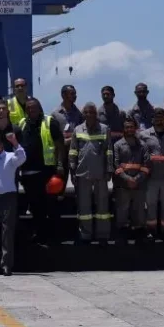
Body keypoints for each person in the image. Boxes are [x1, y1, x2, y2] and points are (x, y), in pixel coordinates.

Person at [17, 97, 66, 245]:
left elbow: (60, 145)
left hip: (46, 172)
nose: (31, 110)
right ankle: (39, 236)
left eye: (34, 107)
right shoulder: (22, 124)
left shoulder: (50, 122)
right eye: (29, 108)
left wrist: (59, 165)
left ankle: (54, 237)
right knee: (35, 207)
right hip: (28, 174)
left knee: (50, 206)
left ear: (40, 108)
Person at [0, 131, 26, 275]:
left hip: (8, 198)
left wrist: (14, 142)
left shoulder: (10, 157)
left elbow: (22, 157)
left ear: (1, 144)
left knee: (7, 232)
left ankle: (6, 264)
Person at [70, 102, 112, 244]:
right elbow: (73, 151)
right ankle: (86, 234)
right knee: (84, 207)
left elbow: (109, 151)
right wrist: (72, 169)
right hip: (82, 174)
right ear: (83, 114)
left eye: (92, 112)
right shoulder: (77, 130)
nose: (89, 115)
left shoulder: (105, 129)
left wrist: (109, 170)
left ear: (96, 114)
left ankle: (103, 235)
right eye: (86, 112)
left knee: (103, 207)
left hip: (100, 174)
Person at [112, 115, 149, 243]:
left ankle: (139, 235)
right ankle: (122, 235)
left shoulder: (143, 145)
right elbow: (116, 165)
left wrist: (136, 179)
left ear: (135, 128)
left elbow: (146, 166)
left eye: (132, 127)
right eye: (127, 127)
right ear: (123, 129)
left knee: (139, 211)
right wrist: (128, 179)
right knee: (122, 210)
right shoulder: (117, 145)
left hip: (139, 185)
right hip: (123, 185)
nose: (129, 129)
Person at [142, 108, 164, 242]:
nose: (159, 119)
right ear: (152, 118)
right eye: (157, 116)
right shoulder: (144, 135)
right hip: (151, 176)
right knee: (150, 204)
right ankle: (151, 231)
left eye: (162, 116)